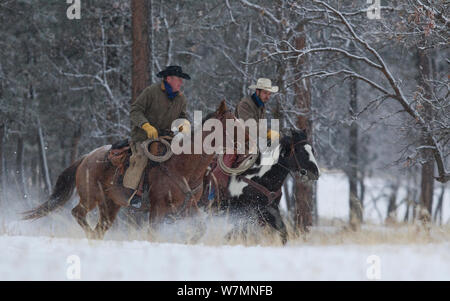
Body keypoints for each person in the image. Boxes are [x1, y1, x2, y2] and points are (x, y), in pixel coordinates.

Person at [123, 65, 191, 208]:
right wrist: (146, 125)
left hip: (166, 138)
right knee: (141, 158)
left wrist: (183, 125)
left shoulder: (181, 99)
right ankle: (135, 193)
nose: (181, 83)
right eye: (178, 79)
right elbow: (135, 110)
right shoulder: (151, 92)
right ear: (168, 79)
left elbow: (183, 117)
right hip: (143, 137)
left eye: (181, 80)